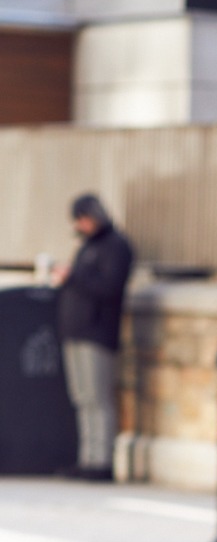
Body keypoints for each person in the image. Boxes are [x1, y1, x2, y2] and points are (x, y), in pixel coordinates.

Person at [52, 193, 134, 482]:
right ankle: (87, 458)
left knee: (98, 398)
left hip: (98, 332)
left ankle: (101, 461)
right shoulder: (87, 246)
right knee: (83, 398)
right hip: (75, 331)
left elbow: (110, 287)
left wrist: (73, 277)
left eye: (83, 218)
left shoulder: (116, 246)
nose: (80, 225)